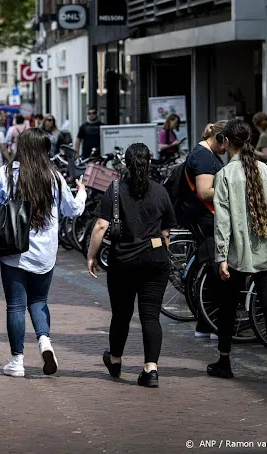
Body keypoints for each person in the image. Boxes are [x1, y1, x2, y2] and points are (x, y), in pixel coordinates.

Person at [0, 128, 86, 377]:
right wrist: (81, 191)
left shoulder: (5, 174)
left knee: (16, 306)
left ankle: (17, 361)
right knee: (38, 301)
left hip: (14, 252)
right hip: (45, 254)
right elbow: (72, 210)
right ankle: (44, 342)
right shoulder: (53, 176)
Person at [87, 143, 177, 388]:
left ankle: (115, 360)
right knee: (150, 316)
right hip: (155, 261)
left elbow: (100, 227)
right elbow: (167, 232)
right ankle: (151, 370)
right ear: (149, 163)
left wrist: (91, 255)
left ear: (125, 164)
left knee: (121, 315)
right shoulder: (160, 192)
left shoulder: (114, 190)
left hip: (123, 261)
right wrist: (162, 253)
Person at [209, 119, 267, 385]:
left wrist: (221, 255)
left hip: (236, 254)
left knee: (227, 307)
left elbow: (223, 220)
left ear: (227, 142)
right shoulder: (265, 171)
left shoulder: (224, 175)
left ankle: (224, 361)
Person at [178, 121, 228, 338]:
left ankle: (207, 323)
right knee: (215, 270)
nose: (227, 150)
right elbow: (205, 191)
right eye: (227, 144)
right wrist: (233, 190)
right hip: (206, 219)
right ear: (219, 139)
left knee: (210, 269)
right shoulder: (204, 157)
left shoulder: (204, 154)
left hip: (205, 218)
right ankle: (211, 322)